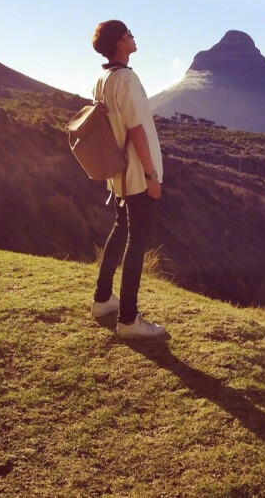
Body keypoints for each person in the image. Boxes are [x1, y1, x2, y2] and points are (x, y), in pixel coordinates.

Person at [88, 20, 167, 340]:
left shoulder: (102, 78)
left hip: (117, 173)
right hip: (136, 173)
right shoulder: (126, 79)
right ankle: (129, 320)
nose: (134, 38)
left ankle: (102, 299)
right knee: (137, 239)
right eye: (129, 34)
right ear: (119, 43)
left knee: (120, 230)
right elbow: (136, 130)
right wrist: (151, 175)